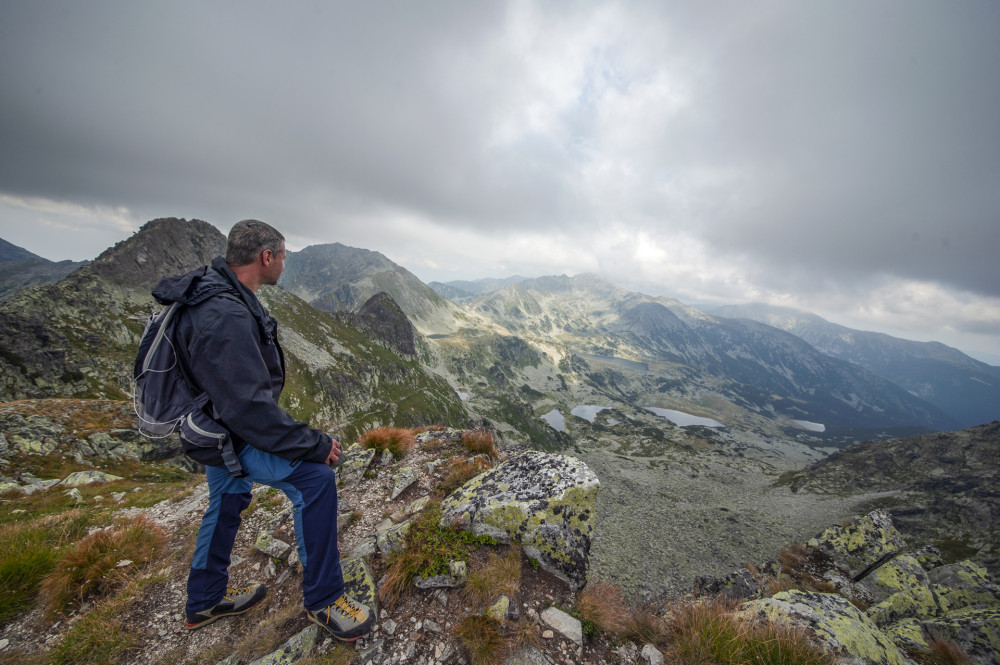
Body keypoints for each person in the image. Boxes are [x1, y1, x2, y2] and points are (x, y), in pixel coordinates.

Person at [150, 219, 374, 641]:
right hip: (229, 433)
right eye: (284, 255)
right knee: (316, 479)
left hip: (211, 429)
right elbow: (249, 409)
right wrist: (315, 443)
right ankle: (325, 600)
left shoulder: (212, 290)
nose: (286, 263)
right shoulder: (225, 315)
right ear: (265, 257)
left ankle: (204, 599)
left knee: (228, 495)